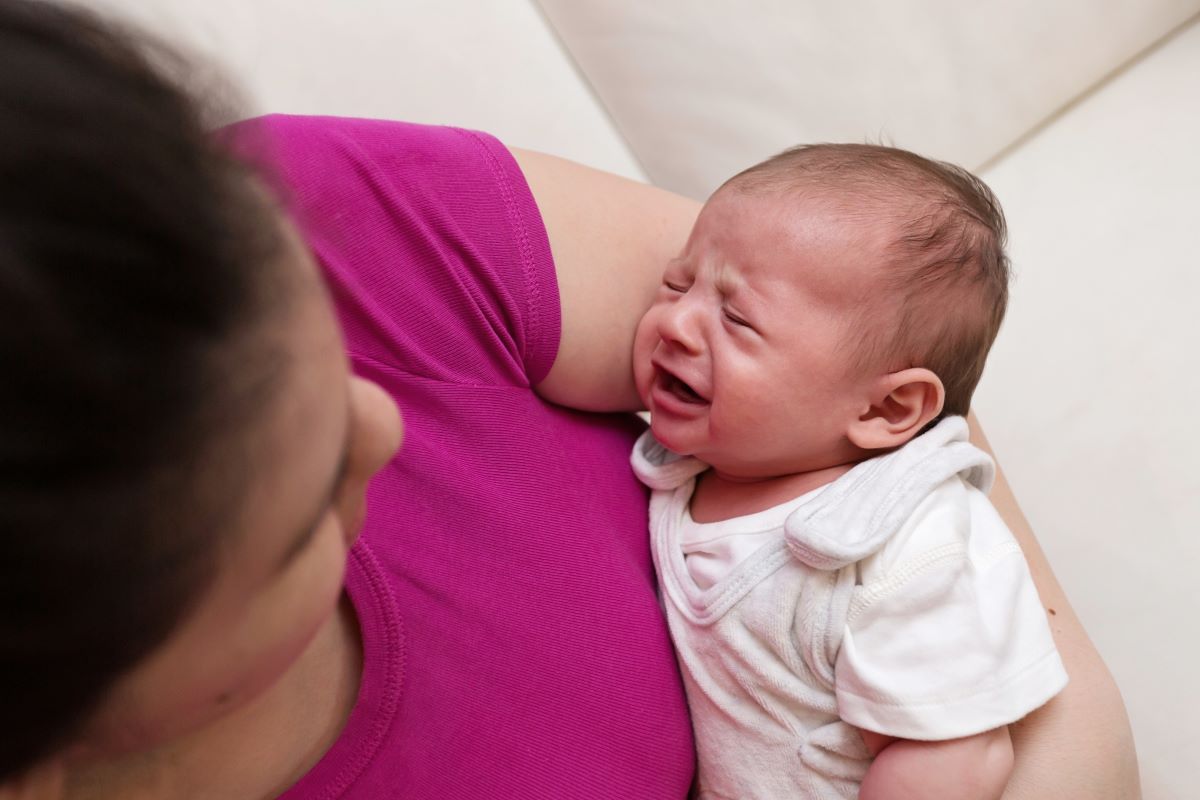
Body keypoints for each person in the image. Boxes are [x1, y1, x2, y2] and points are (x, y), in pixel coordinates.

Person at [0, 1, 1139, 799]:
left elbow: (858, 339)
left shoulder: (288, 218)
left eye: (324, 348)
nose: (384, 426)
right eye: (302, 507)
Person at [630, 144, 1068, 799]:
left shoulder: (908, 552)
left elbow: (959, 756)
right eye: (675, 283)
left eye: (738, 317)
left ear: (888, 407)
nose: (674, 323)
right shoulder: (694, 469)